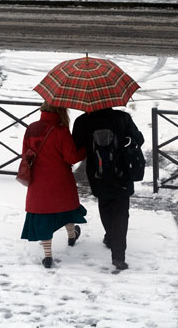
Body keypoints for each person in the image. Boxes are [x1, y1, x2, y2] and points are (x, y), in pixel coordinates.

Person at [72, 107, 144, 270]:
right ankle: (118, 255)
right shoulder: (123, 118)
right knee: (121, 211)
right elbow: (139, 139)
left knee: (104, 204)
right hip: (122, 173)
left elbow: (76, 147)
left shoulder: (83, 121)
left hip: (97, 173)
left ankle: (110, 236)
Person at [21, 103, 87, 269]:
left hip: (38, 182)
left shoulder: (31, 128)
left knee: (43, 216)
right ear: (61, 111)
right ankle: (71, 236)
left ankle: (48, 257)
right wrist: (85, 150)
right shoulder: (61, 130)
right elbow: (71, 157)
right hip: (60, 180)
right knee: (67, 209)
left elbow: (25, 154)